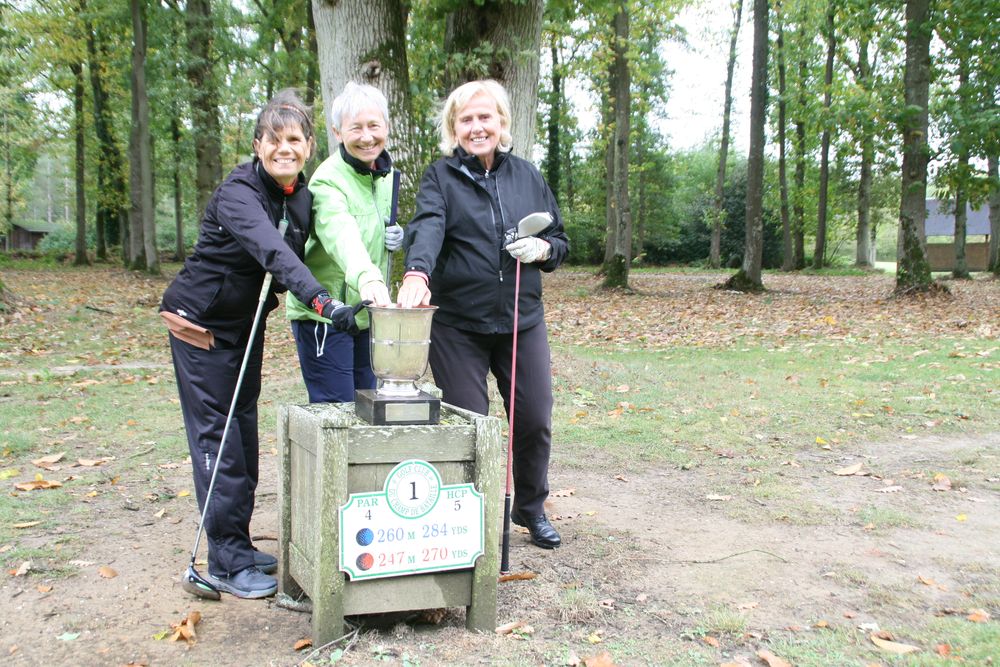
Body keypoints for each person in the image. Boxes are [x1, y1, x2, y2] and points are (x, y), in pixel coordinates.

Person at [160, 89, 363, 599]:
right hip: (201, 327)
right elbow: (275, 254)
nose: (284, 148)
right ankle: (224, 561)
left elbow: (320, 240)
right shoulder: (239, 194)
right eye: (273, 140)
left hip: (242, 327)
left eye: (294, 139)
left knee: (243, 434)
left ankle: (239, 543)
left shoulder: (297, 196)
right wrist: (323, 303)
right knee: (219, 439)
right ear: (257, 145)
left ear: (310, 145)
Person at [397, 79, 569, 549]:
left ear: (501, 123)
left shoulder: (528, 176)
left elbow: (560, 241)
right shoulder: (439, 177)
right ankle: (471, 518)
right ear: (454, 128)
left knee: (534, 418)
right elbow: (428, 227)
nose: (477, 127)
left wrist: (541, 249)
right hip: (458, 326)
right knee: (473, 426)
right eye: (466, 119)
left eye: (485, 117)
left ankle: (530, 510)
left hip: (521, 320)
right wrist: (417, 272)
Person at [286, 82, 399, 403]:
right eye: (356, 128)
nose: (367, 137)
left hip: (366, 313)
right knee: (336, 412)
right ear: (337, 133)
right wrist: (368, 276)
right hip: (326, 315)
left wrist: (394, 235)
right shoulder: (327, 179)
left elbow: (368, 225)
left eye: (374, 126)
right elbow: (340, 233)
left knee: (369, 407)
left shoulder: (387, 175)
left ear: (386, 128)